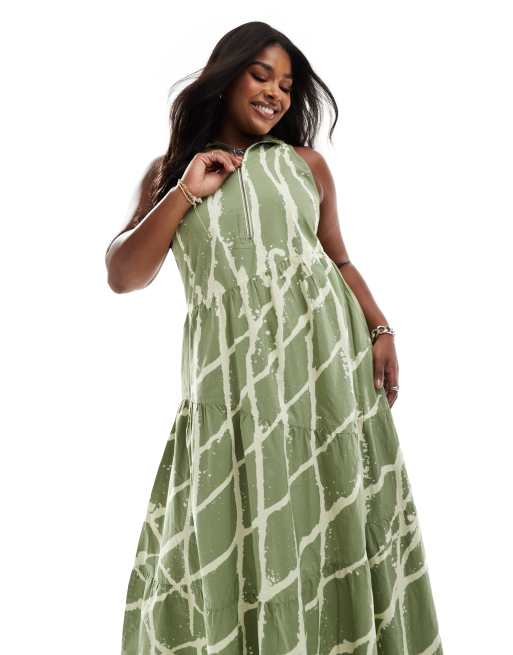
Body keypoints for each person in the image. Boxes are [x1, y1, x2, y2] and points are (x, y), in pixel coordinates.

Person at [106, 20, 443, 655]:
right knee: (227, 521)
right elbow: (124, 275)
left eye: (287, 85)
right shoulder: (170, 175)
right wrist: (185, 192)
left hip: (326, 374)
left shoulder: (306, 165)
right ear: (225, 78)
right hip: (230, 386)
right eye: (261, 76)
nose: (275, 94)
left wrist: (380, 328)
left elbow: (338, 260)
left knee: (332, 514)